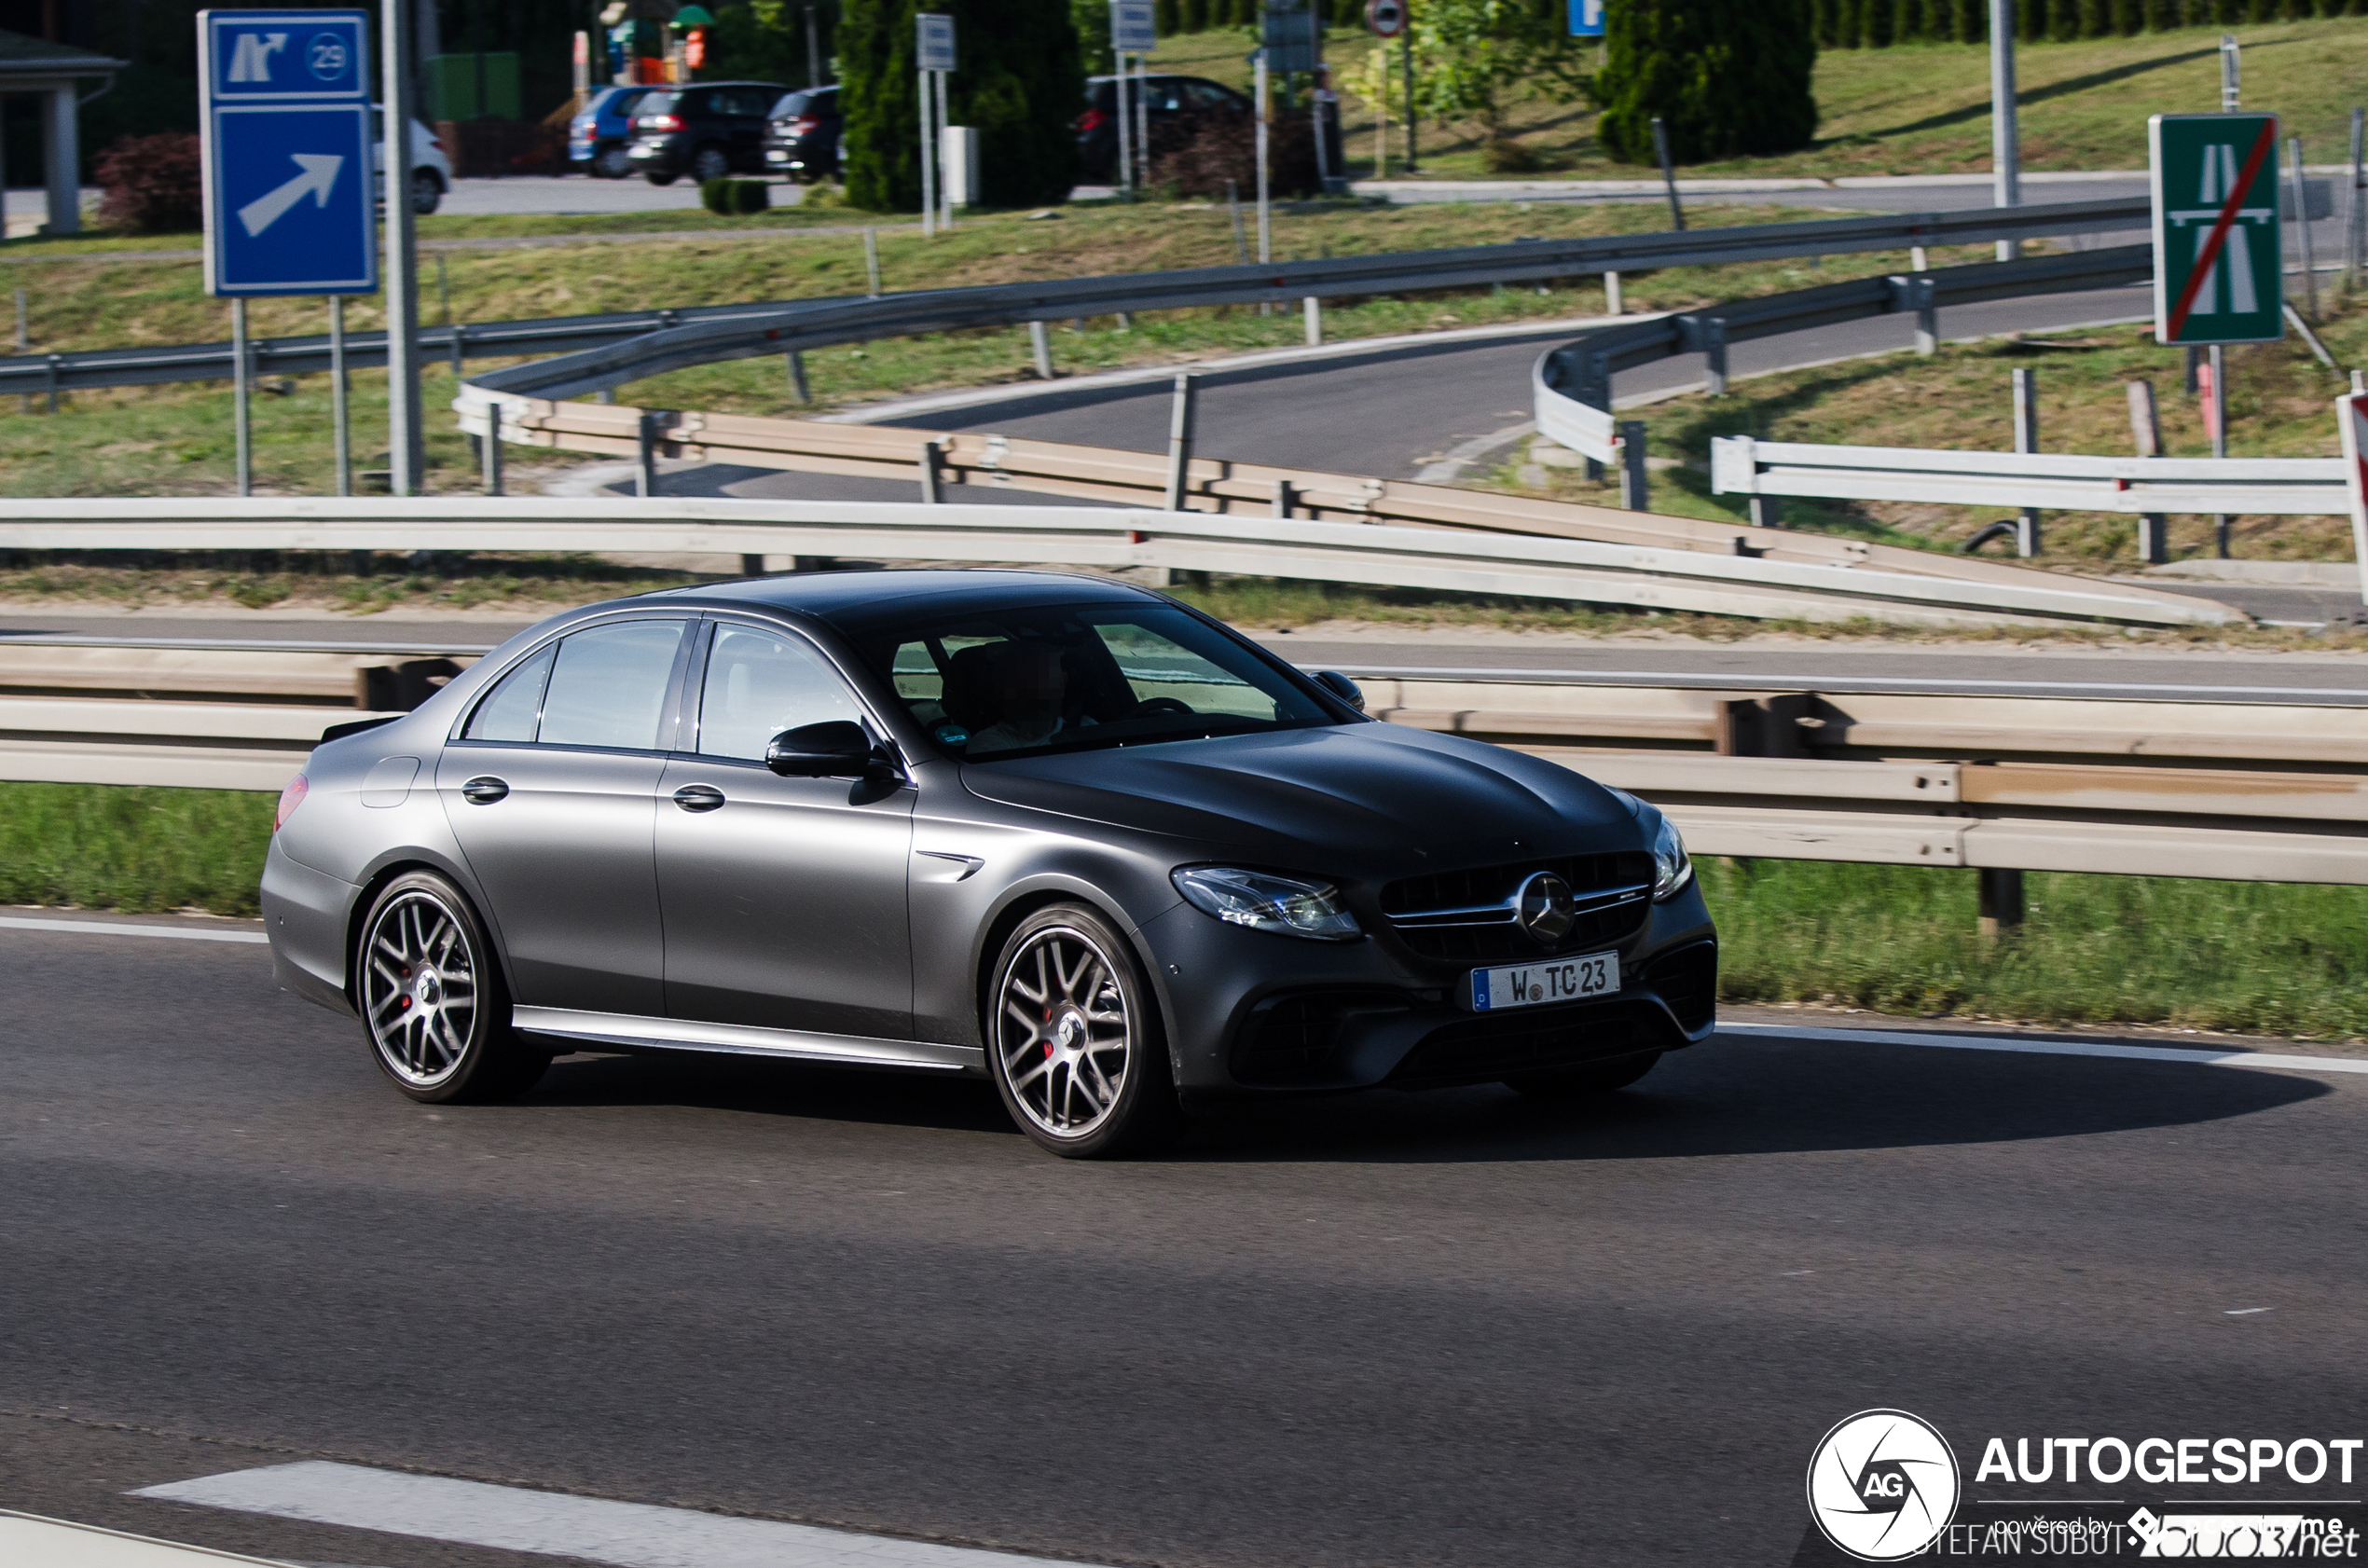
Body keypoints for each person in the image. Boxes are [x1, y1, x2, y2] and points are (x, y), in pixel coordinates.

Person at [968, 640, 1096, 754]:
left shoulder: (1088, 730)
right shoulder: (988, 744)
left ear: (1061, 684)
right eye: (1021, 682)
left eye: (1043, 679)